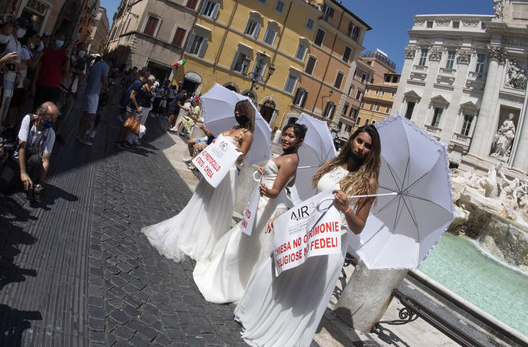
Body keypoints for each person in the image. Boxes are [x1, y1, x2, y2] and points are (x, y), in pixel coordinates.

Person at [234, 125, 382, 347]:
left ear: (372, 151)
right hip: (307, 229)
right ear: (352, 140)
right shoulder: (333, 165)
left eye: (368, 146)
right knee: (276, 270)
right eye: (359, 141)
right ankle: (260, 318)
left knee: (301, 293)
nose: (361, 148)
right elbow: (314, 203)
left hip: (329, 243)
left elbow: (358, 226)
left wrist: (346, 208)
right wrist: (288, 218)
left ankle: (282, 337)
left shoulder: (368, 182)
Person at [193, 123, 305, 304]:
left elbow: (275, 191)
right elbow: (290, 184)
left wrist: (265, 188)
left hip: (268, 206)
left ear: (299, 141)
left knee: (244, 243)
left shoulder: (290, 160)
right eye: (285, 134)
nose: (285, 138)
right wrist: (266, 173)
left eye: (291, 136)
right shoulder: (292, 158)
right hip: (267, 203)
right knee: (249, 244)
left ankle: (232, 284)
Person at [142, 100, 255, 262]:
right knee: (201, 201)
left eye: (241, 111)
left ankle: (203, 240)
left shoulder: (248, 134)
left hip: (226, 174)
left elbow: (240, 160)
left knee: (213, 207)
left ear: (247, 113)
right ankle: (190, 232)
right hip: (215, 169)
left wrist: (233, 151)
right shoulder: (234, 128)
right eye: (236, 111)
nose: (237, 114)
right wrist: (217, 142)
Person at [0, 102, 58, 203]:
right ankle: (21, 178)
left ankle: (30, 180)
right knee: (3, 184)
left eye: (54, 118)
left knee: (37, 159)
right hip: (17, 158)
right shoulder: (28, 120)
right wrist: (23, 173)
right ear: (41, 115)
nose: (52, 121)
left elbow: (46, 160)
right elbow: (22, 147)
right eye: (50, 118)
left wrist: (40, 183)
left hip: (31, 161)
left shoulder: (51, 134)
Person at [6, 31, 42, 127]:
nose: (35, 42)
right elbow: (32, 65)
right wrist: (40, 56)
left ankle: (15, 124)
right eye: (34, 39)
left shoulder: (29, 51)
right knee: (12, 105)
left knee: (18, 104)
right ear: (29, 39)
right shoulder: (24, 50)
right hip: (17, 80)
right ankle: (8, 124)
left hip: (23, 82)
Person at [55, 42, 87, 140]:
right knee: (55, 111)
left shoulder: (83, 63)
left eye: (85, 50)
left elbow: (82, 79)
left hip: (72, 92)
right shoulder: (70, 58)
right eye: (82, 49)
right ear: (77, 48)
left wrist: (80, 72)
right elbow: (65, 70)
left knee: (64, 115)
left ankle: (57, 133)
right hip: (63, 87)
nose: (84, 51)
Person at [32, 31, 70, 109]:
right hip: (42, 83)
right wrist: (34, 84)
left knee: (47, 111)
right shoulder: (46, 50)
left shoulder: (63, 53)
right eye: (59, 38)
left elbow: (66, 70)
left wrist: (68, 58)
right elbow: (38, 68)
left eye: (62, 40)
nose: (61, 41)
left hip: (54, 87)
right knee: (37, 108)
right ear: (55, 38)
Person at [1, 17, 28, 125]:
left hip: (12, 83)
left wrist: (17, 67)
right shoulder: (8, 40)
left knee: (4, 111)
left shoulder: (19, 45)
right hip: (3, 81)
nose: (23, 30)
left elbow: (23, 65)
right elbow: (9, 62)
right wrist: (16, 66)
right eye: (21, 27)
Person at [77, 55, 109, 145]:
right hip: (94, 93)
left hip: (88, 91)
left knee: (84, 114)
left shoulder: (94, 66)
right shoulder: (105, 66)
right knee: (90, 116)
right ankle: (83, 136)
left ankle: (79, 134)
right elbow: (105, 80)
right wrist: (106, 86)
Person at [115, 69, 150, 147]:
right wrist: (137, 107)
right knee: (126, 125)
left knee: (129, 126)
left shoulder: (141, 84)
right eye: (149, 74)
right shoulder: (138, 84)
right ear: (145, 74)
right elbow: (132, 96)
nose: (149, 76)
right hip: (131, 107)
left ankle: (123, 141)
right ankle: (119, 141)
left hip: (133, 108)